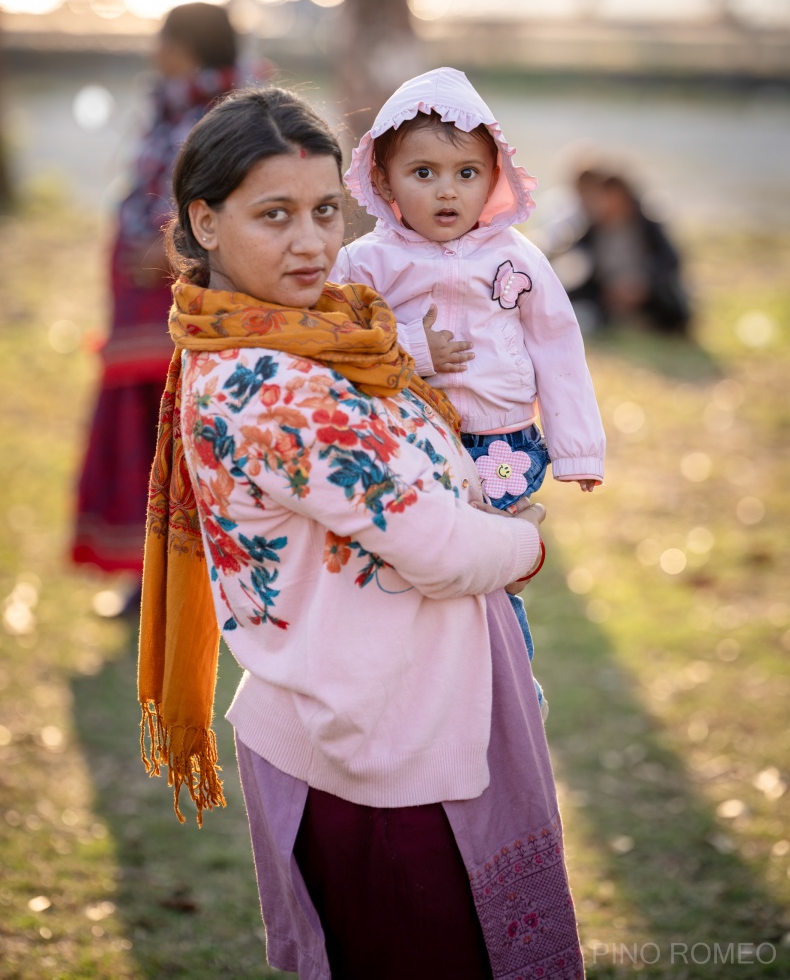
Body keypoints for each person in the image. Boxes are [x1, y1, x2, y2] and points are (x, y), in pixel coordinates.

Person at [138, 87, 587, 980]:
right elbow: (440, 548)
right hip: (373, 756)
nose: (311, 242)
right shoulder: (275, 386)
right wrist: (526, 542)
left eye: (323, 212)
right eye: (275, 215)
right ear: (206, 221)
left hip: (375, 718)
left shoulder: (318, 337)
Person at [330, 66, 605, 709]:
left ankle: (510, 686)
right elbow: (342, 345)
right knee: (429, 572)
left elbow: (560, 350)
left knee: (494, 575)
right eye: (422, 173)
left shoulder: (516, 259)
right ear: (383, 179)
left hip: (505, 443)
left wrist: (578, 450)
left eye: (466, 173)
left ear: (495, 177)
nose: (446, 191)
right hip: (413, 444)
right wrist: (417, 350)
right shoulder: (367, 263)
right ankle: (423, 691)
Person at [71, 2, 241, 605]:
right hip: (142, 300)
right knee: (147, 436)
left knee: (180, 437)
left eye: (162, 38)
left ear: (186, 46)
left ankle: (184, 574)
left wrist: (168, 251)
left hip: (183, 299)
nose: (153, 48)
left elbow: (224, 207)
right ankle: (148, 571)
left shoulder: (228, 117)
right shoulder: (172, 104)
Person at [554, 168, 692, 335]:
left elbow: (669, 260)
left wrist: (642, 284)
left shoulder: (647, 226)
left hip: (647, 291)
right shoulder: (592, 230)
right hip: (606, 294)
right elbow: (576, 261)